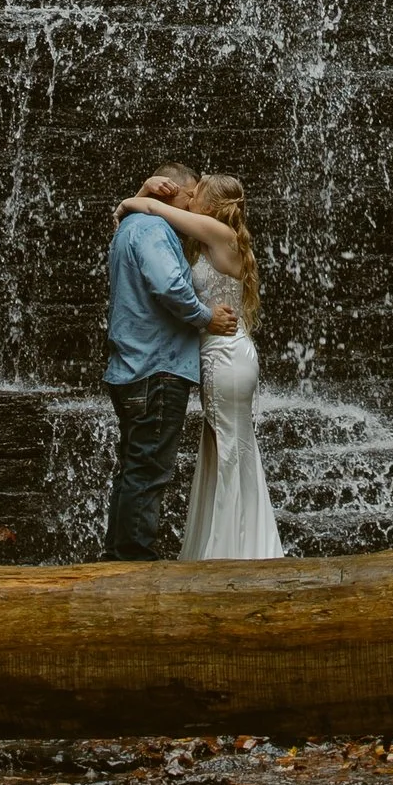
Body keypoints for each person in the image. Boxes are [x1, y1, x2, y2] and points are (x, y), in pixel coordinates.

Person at [115, 170, 283, 562]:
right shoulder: (204, 240)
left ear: (210, 205)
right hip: (215, 355)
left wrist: (130, 199)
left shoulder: (219, 233)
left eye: (196, 194)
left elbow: (153, 210)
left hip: (227, 355)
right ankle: (227, 546)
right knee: (221, 446)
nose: (189, 199)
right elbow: (141, 231)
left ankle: (234, 552)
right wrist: (139, 198)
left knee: (230, 446)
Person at [102, 162, 234, 560]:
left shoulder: (130, 226)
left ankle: (116, 558)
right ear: (169, 191)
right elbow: (170, 286)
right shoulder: (154, 229)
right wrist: (207, 318)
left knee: (133, 469)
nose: (194, 204)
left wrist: (138, 196)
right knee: (148, 472)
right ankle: (134, 562)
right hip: (156, 368)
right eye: (191, 194)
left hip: (131, 367)